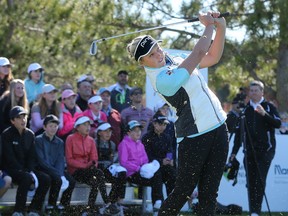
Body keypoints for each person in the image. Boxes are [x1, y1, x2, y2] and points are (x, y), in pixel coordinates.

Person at [126, 11, 228, 215]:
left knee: (209, 194)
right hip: (194, 137)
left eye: (157, 48)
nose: (159, 54)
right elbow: (198, 53)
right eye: (151, 55)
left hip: (219, 128)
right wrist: (208, 25)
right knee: (182, 192)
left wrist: (221, 27)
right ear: (142, 63)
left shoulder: (174, 59)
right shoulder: (162, 80)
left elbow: (212, 57)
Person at [229, 80, 281, 215]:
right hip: (249, 151)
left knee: (259, 180)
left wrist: (264, 114)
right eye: (251, 91)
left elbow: (277, 123)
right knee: (250, 182)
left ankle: (256, 211)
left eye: (256, 90)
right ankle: (253, 211)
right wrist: (234, 152)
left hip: (266, 151)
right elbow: (239, 135)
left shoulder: (268, 107)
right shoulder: (245, 110)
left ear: (262, 92)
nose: (253, 93)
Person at [1, 106, 51, 216]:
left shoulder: (30, 134)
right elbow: (9, 158)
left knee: (46, 179)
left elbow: (32, 157)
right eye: (19, 118)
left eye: (24, 117)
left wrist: (29, 170)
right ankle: (18, 211)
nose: (23, 120)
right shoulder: (6, 134)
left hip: (26, 169)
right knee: (26, 178)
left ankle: (34, 210)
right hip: (11, 169)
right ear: (12, 121)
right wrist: (24, 171)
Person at [65, 116, 120, 215]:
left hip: (87, 169)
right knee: (97, 175)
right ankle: (107, 202)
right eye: (85, 125)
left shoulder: (90, 140)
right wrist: (85, 165)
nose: (88, 127)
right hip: (75, 171)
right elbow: (69, 160)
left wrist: (92, 164)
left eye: (88, 125)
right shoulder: (70, 139)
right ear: (77, 127)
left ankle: (90, 208)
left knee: (96, 179)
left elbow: (94, 158)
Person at [118, 120, 163, 210]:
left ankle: (157, 202)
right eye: (135, 130)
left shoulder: (140, 144)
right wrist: (138, 168)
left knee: (157, 174)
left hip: (141, 171)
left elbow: (145, 159)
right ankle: (156, 203)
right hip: (131, 174)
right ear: (128, 132)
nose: (138, 132)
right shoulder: (124, 143)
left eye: (139, 130)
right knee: (155, 178)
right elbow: (124, 162)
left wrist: (148, 167)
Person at [35, 115, 76, 212]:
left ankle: (63, 205)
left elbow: (60, 160)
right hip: (42, 168)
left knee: (71, 181)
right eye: (50, 126)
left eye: (55, 126)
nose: (53, 128)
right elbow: (41, 161)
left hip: (55, 169)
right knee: (55, 178)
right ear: (44, 127)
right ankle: (51, 205)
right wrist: (57, 173)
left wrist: (61, 173)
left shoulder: (60, 142)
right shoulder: (38, 140)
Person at [142, 113, 176, 197]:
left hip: (164, 165)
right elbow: (146, 156)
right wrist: (160, 161)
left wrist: (169, 159)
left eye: (165, 124)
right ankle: (158, 202)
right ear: (154, 123)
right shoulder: (146, 137)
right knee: (157, 175)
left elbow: (170, 150)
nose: (163, 126)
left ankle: (171, 202)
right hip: (151, 166)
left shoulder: (167, 137)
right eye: (161, 124)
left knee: (173, 174)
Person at [95, 122, 127, 211]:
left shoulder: (112, 144)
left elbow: (111, 160)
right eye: (105, 131)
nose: (108, 134)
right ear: (99, 132)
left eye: (109, 131)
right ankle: (110, 203)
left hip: (108, 169)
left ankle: (114, 201)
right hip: (98, 169)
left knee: (121, 175)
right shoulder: (94, 143)